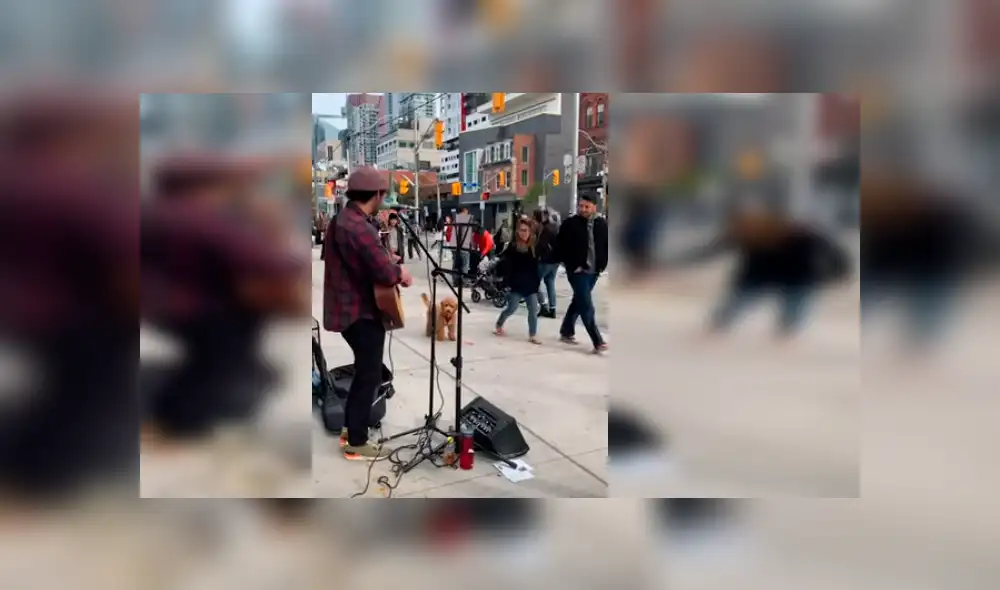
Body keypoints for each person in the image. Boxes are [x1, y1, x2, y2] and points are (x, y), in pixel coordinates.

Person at [323, 168, 414, 460]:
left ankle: (352, 431)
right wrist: (399, 270)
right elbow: (384, 273)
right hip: (359, 312)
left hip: (350, 308)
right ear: (375, 195)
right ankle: (357, 440)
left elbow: (360, 262)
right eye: (383, 195)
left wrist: (387, 257)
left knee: (365, 372)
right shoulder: (358, 227)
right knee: (369, 375)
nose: (383, 200)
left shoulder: (344, 220)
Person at [554, 194, 608, 353]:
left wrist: (602, 265)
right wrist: (572, 265)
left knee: (579, 300)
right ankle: (597, 341)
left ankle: (566, 330)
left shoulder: (602, 224)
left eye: (587, 206)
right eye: (581, 206)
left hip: (594, 271)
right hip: (577, 271)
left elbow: (606, 246)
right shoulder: (570, 224)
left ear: (594, 207)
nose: (583, 209)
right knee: (586, 305)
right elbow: (560, 247)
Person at [493, 218, 542, 344]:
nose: (523, 233)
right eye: (521, 230)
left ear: (530, 231)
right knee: (512, 308)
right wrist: (506, 282)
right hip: (517, 284)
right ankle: (499, 324)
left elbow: (537, 265)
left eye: (526, 230)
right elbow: (507, 265)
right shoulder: (513, 247)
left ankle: (532, 334)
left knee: (533, 309)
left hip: (531, 283)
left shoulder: (534, 246)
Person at [533, 208, 560, 318]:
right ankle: (552, 309)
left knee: (535, 281)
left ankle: (543, 306)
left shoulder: (545, 228)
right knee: (550, 283)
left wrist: (535, 256)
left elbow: (541, 245)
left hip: (545, 260)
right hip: (556, 261)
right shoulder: (556, 226)